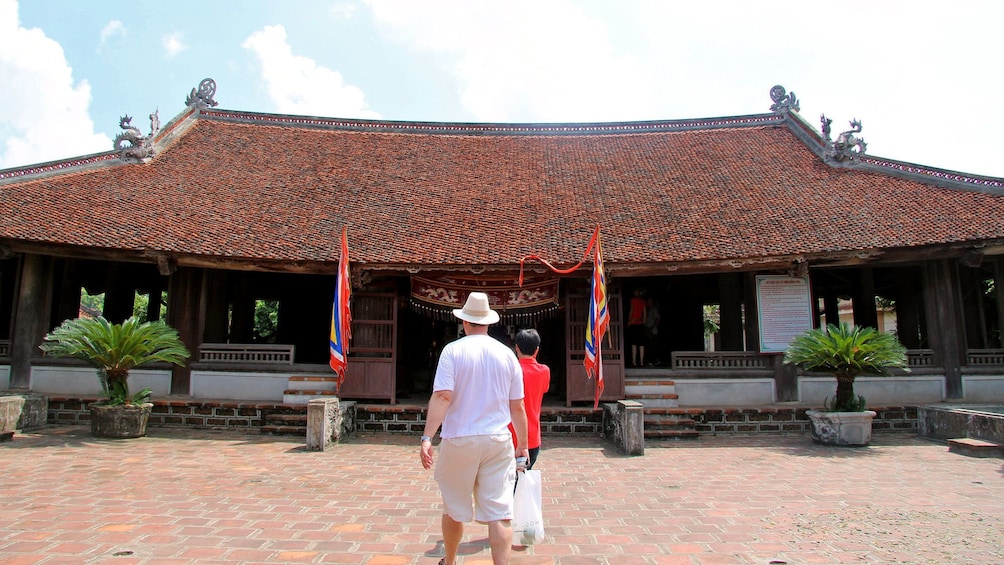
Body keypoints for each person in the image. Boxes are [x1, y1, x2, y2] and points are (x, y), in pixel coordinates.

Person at [420, 292, 529, 565]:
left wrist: (427, 437)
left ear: (465, 322)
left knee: (454, 509)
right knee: (501, 513)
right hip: (497, 439)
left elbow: (443, 396)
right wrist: (523, 445)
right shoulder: (506, 355)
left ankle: (451, 559)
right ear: (488, 322)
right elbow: (518, 407)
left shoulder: (452, 351)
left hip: (459, 438)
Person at [507, 328, 551, 470]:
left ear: (516, 348)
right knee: (524, 480)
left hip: (508, 435)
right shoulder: (544, 371)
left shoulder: (510, 370)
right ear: (537, 350)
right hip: (532, 437)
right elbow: (544, 389)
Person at [627, 288, 647, 366]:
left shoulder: (633, 300)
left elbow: (631, 310)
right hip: (640, 323)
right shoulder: (643, 302)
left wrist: (629, 320)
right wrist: (644, 322)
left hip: (633, 323)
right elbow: (644, 313)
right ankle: (641, 361)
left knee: (634, 343)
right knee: (641, 344)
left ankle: (634, 361)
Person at [644, 297, 661, 366]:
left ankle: (654, 360)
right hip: (648, 330)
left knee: (653, 346)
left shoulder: (654, 309)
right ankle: (649, 361)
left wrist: (653, 327)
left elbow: (658, 318)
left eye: (649, 301)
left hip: (653, 331)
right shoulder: (647, 309)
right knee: (649, 346)